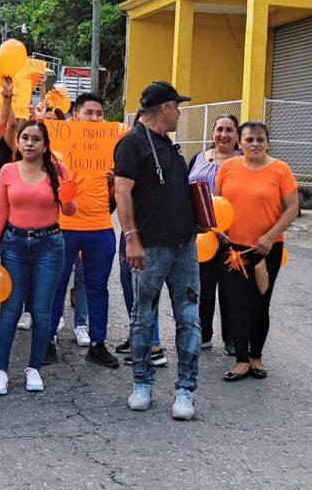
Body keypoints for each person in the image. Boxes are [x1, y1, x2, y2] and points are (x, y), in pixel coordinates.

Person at [115, 81, 202, 420]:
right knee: (142, 317)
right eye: (177, 105)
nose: (180, 111)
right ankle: (142, 383)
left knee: (189, 317)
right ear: (164, 108)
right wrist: (132, 238)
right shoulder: (132, 143)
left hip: (185, 246)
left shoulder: (169, 146)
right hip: (149, 248)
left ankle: (185, 390)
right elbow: (122, 193)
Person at [0, 120, 77, 395]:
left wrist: (68, 197)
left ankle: (34, 368)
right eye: (24, 138)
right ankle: (0, 370)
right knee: (11, 310)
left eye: (35, 139)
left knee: (40, 310)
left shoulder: (58, 170)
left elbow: (70, 211)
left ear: (45, 145)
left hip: (49, 245)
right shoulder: (8, 170)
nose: (29, 143)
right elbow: (0, 210)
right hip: (14, 245)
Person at [215, 121, 300, 383]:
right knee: (236, 303)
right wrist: (217, 231)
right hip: (232, 250)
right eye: (249, 139)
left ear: (268, 142)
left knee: (259, 304)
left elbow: (292, 208)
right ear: (239, 143)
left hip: (266, 249)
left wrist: (270, 236)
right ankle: (241, 360)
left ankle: (256, 357)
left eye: (260, 139)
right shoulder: (228, 168)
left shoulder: (281, 170)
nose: (255, 144)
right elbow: (217, 203)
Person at [48, 92, 122, 369]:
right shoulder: (58, 145)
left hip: (100, 226)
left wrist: (115, 179)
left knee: (97, 287)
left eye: (99, 113)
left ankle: (98, 343)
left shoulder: (110, 144)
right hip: (64, 226)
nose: (94, 118)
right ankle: (48, 339)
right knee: (56, 286)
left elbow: (118, 192)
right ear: (74, 115)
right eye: (88, 112)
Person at [188, 114, 241, 352]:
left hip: (233, 234)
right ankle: (203, 334)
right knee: (203, 287)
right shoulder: (198, 158)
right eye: (219, 129)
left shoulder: (243, 160)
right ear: (212, 134)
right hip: (202, 235)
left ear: (237, 136)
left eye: (230, 130)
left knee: (231, 289)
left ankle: (231, 339)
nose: (224, 135)